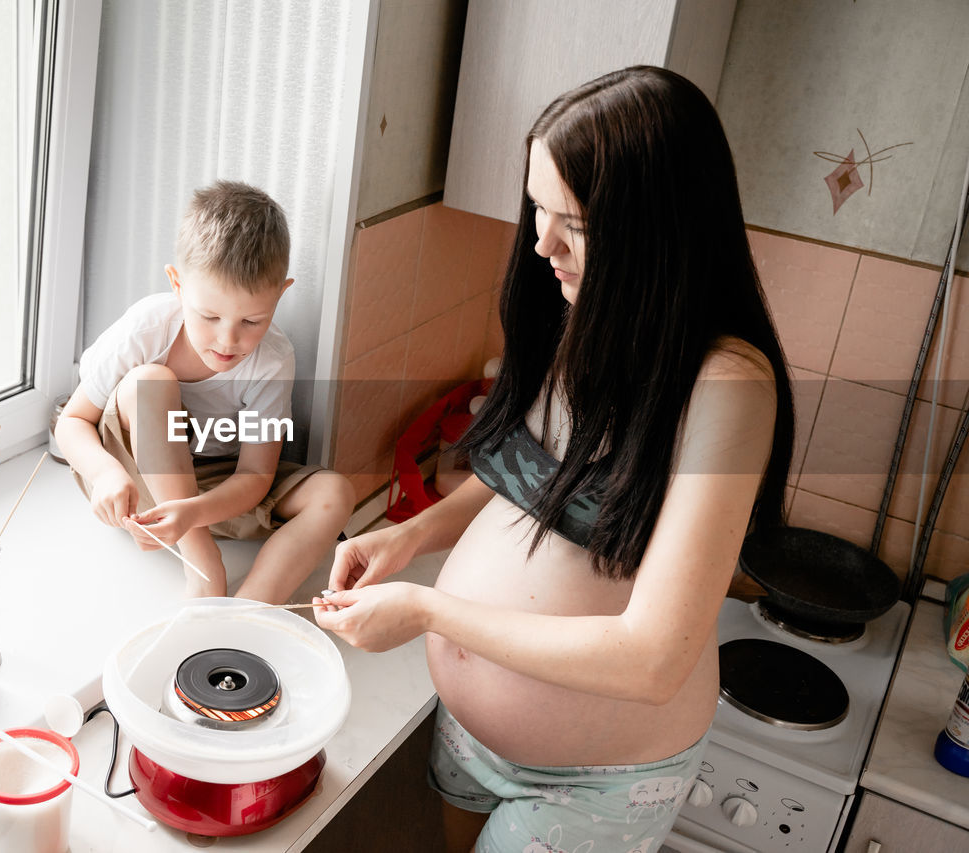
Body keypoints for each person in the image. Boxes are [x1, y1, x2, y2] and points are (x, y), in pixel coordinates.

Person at [314, 66, 795, 853]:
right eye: (537, 209)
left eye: (571, 222)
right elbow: (534, 476)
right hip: (473, 734)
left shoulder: (728, 387)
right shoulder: (587, 312)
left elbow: (652, 657)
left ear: (656, 227)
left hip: (596, 778)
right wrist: (411, 537)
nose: (541, 245)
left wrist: (429, 609)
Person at [56, 180, 355, 604]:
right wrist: (105, 474)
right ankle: (203, 566)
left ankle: (253, 607)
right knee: (150, 382)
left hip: (214, 488)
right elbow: (72, 421)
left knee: (335, 493)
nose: (228, 340)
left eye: (252, 321)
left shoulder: (272, 359)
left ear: (281, 294)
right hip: (134, 478)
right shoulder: (148, 328)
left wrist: (193, 511)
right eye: (209, 315)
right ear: (177, 284)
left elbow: (254, 476)